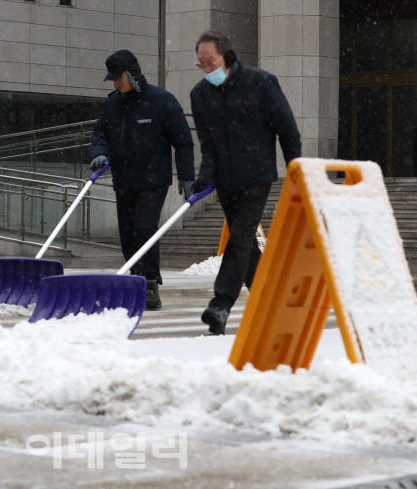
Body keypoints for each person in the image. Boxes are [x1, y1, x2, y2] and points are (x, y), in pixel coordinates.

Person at [190, 31, 301, 334]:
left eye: (210, 62)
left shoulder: (260, 83)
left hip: (256, 175)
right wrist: (205, 175)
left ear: (226, 56)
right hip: (226, 180)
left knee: (239, 238)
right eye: (201, 64)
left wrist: (296, 170)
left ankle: (221, 304)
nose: (206, 69)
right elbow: (208, 144)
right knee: (247, 246)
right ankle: (271, 300)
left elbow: (287, 129)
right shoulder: (200, 95)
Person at [91, 49, 195, 309]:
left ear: (132, 74)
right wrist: (100, 153)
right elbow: (100, 133)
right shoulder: (112, 104)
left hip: (153, 180)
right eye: (113, 78)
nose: (116, 82)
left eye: (119, 77)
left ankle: (149, 282)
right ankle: (135, 279)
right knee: (127, 234)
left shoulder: (162, 101)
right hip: (124, 180)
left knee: (144, 228)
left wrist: (186, 176)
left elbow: (182, 140)